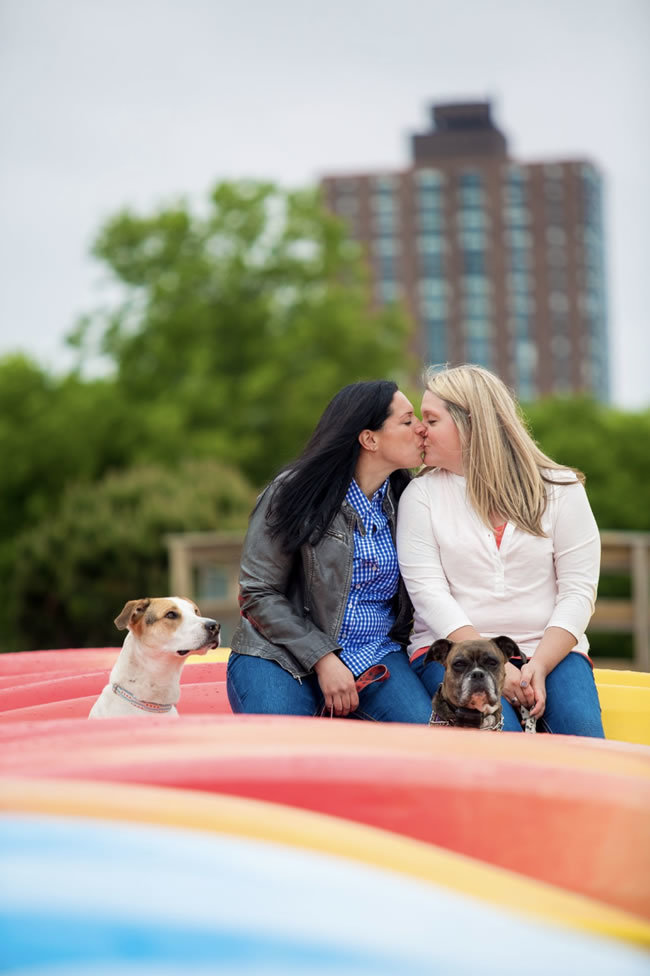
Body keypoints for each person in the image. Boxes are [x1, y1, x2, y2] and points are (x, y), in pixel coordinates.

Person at [396, 364, 604, 737]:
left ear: (470, 424)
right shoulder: (421, 496)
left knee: (583, 736)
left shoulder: (561, 489)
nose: (420, 429)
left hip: (550, 652)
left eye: (431, 419)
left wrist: (538, 664)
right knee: (499, 741)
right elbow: (429, 594)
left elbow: (578, 591)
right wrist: (498, 666)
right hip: (455, 656)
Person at [227, 380, 434, 723]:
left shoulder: (409, 499)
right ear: (369, 439)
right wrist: (324, 658)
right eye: (407, 420)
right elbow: (257, 591)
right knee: (286, 753)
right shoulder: (293, 492)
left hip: (375, 655)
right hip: (281, 655)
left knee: (426, 741)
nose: (421, 429)